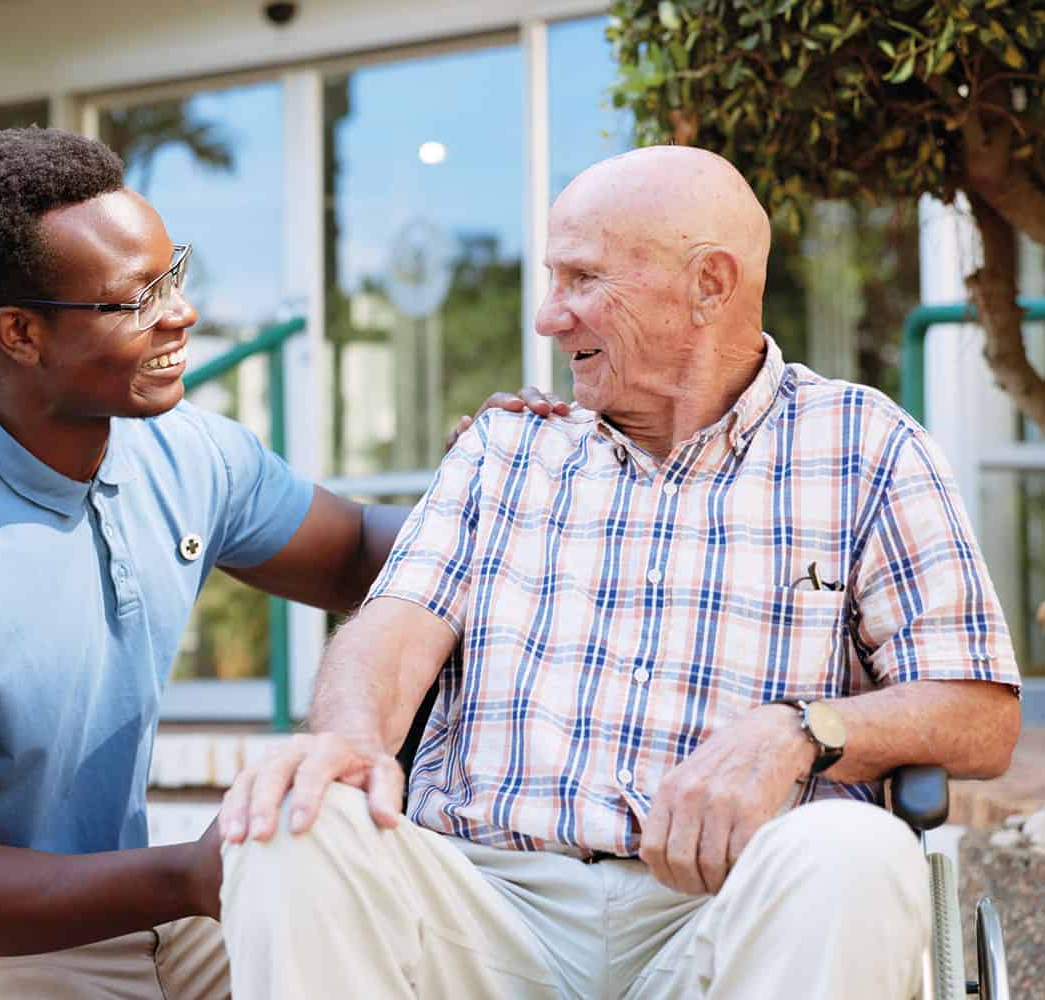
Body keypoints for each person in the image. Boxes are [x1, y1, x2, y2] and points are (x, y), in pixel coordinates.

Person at [219, 145, 1023, 1000]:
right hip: (484, 903)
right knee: (291, 821)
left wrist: (803, 729)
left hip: (728, 909)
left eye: (583, 279)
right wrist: (348, 738)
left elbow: (978, 714)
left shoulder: (866, 446)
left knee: (857, 855)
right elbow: (393, 625)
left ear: (710, 284)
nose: (546, 316)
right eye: (549, 277)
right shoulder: (507, 447)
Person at [0, 126, 563, 999]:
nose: (182, 312)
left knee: (400, 956)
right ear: (18, 333)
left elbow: (356, 552)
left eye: (177, 273)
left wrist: (497, 491)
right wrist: (186, 875)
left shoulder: (183, 450)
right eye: (137, 298)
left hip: (143, 922)